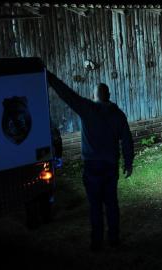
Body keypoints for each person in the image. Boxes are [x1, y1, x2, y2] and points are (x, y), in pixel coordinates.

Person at [47, 71, 134, 251]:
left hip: (92, 166)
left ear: (93, 96)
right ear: (109, 95)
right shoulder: (118, 114)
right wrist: (128, 162)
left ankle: (96, 242)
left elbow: (67, 94)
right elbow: (126, 139)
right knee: (111, 203)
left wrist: (49, 77)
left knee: (95, 206)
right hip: (110, 166)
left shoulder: (88, 109)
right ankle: (114, 239)